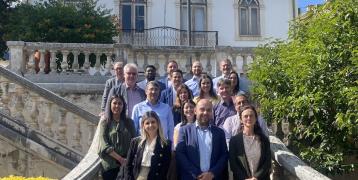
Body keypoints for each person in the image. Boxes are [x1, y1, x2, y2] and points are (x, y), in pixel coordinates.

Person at [176, 99, 228, 180]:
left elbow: (224, 155)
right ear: (195, 111)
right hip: (191, 177)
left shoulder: (219, 132)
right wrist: (197, 174)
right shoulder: (184, 131)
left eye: (208, 110)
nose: (205, 112)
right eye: (202, 109)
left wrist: (212, 173)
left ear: (212, 113)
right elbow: (180, 154)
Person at [124, 111, 172, 180]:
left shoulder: (166, 144)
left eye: (153, 122)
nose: (150, 125)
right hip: (137, 176)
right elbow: (128, 165)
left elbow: (164, 169)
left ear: (158, 123)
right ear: (143, 125)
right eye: (147, 123)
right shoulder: (135, 142)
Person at [98, 95, 136, 180]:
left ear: (123, 106)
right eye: (114, 103)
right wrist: (120, 159)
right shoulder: (105, 123)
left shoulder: (129, 122)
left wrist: (127, 160)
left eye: (120, 103)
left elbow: (135, 142)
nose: (117, 106)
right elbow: (104, 145)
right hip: (110, 165)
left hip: (127, 164)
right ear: (110, 105)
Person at [229, 105, 271, 180]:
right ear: (241, 119)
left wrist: (256, 177)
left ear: (255, 118)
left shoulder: (264, 140)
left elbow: (267, 162)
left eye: (251, 116)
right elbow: (233, 164)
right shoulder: (234, 141)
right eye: (246, 116)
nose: (249, 118)